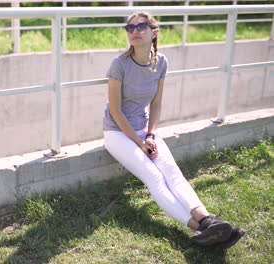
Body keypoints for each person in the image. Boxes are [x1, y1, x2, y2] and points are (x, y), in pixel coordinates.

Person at [103, 11, 244, 249]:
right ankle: (202, 228)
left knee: (172, 172)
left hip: (144, 131)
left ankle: (210, 221)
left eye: (141, 26)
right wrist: (140, 143)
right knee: (155, 176)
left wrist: (150, 134)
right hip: (116, 133)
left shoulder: (161, 62)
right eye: (130, 27)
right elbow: (116, 112)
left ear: (154, 32)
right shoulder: (119, 65)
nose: (134, 31)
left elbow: (156, 103)